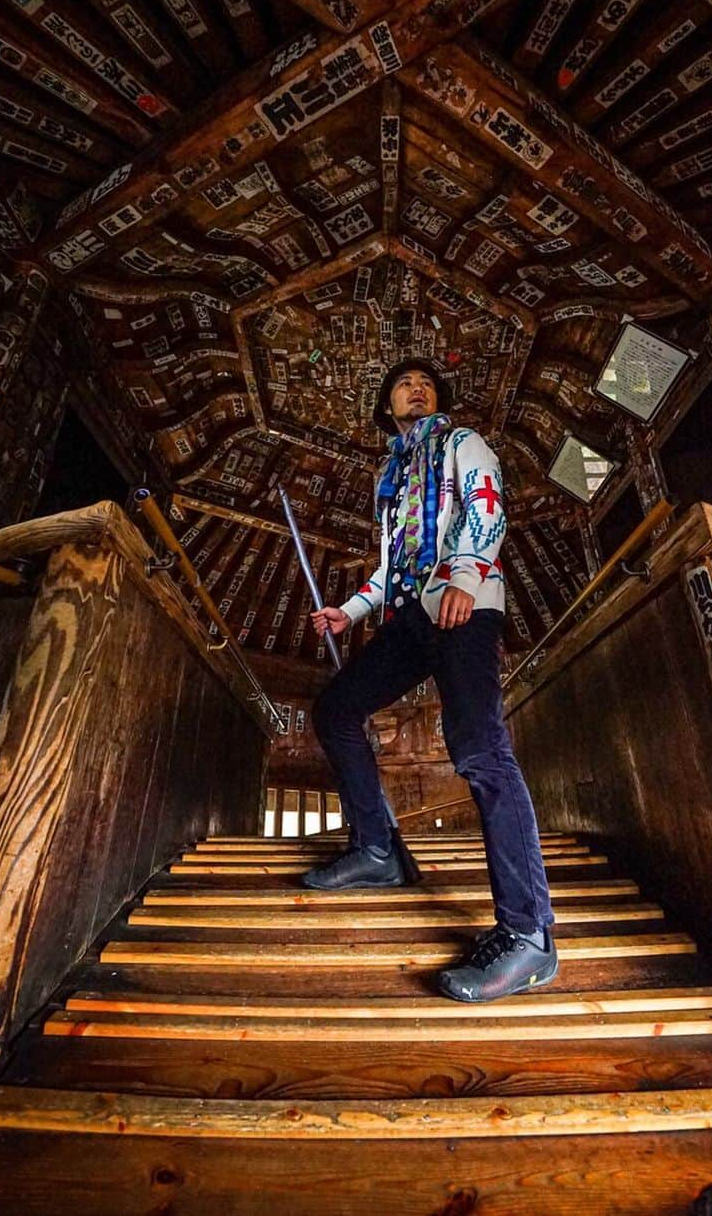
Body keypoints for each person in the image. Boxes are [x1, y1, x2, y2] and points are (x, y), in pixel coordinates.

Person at [305, 357, 556, 1003]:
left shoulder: (462, 443)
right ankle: (378, 852)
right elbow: (392, 564)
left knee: (478, 747)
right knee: (335, 710)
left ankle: (528, 937)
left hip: (466, 603)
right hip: (412, 614)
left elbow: (486, 510)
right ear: (387, 406)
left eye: (427, 383)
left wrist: (467, 576)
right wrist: (351, 611)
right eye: (402, 383)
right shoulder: (392, 473)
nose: (416, 388)